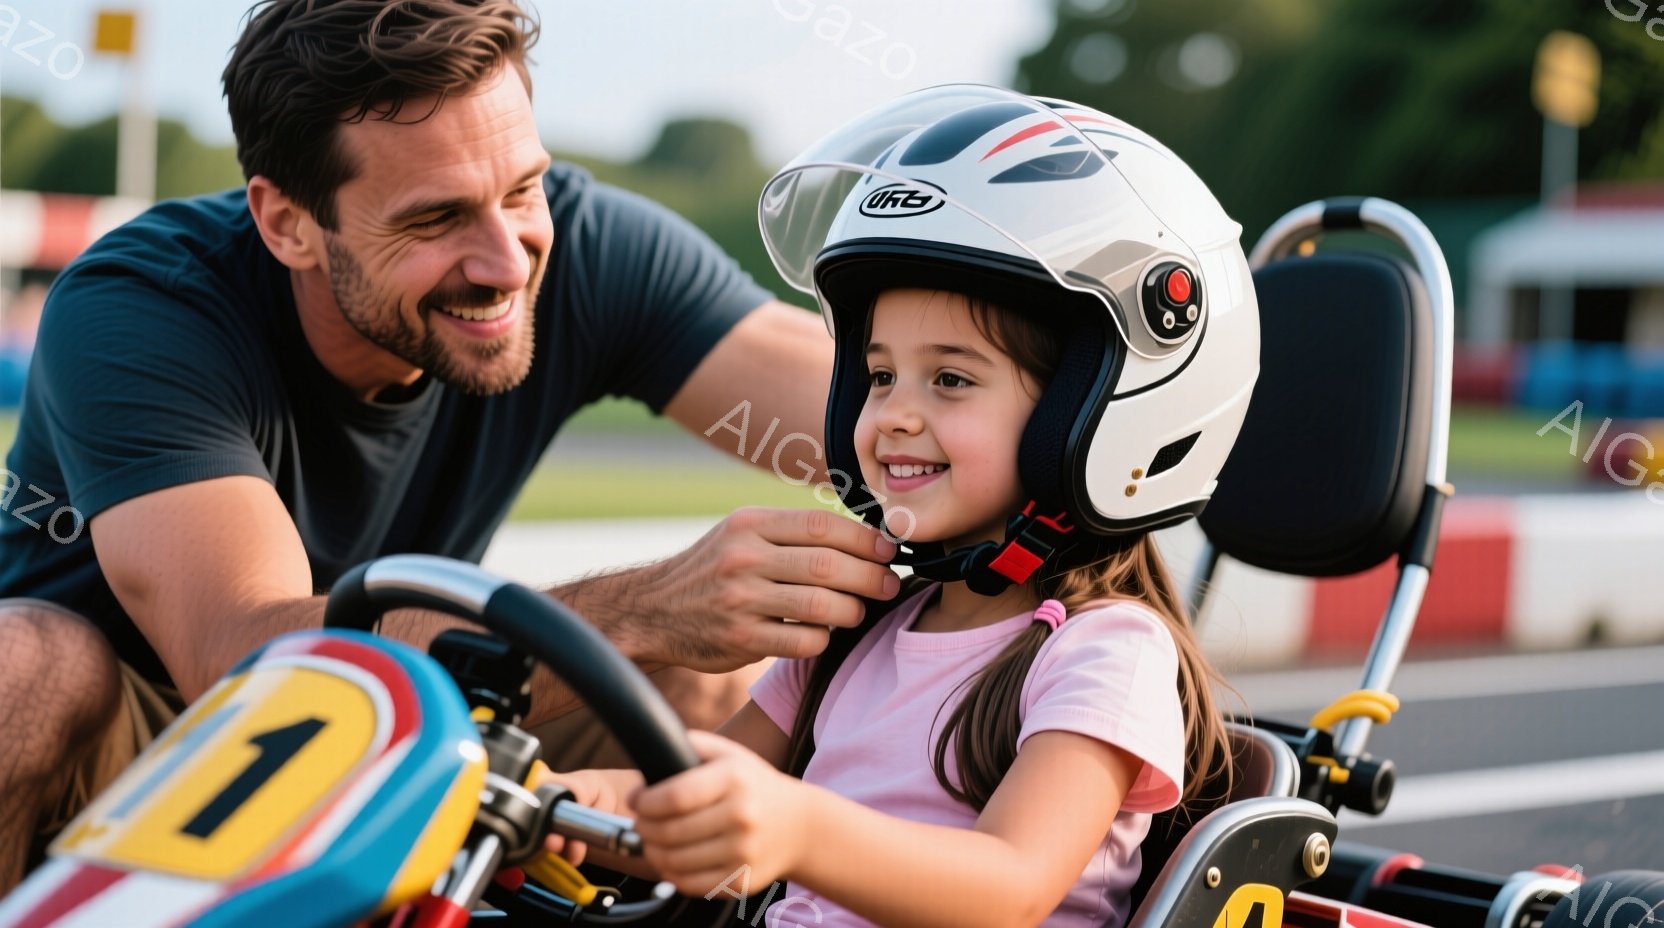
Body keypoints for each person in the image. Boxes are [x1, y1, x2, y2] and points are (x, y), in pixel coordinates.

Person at [0, 0, 903, 892]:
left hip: (410, 724)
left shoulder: (587, 248)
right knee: (25, 663)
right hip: (150, 749)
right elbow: (250, 666)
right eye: (435, 220)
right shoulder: (143, 307)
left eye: (522, 188)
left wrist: (1033, 429)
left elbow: (874, 411)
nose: (507, 262)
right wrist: (643, 607)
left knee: (715, 689)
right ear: (287, 223)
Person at [539, 86, 1262, 927]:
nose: (894, 415)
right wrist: (561, 801)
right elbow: (697, 802)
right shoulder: (850, 632)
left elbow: (1008, 885)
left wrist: (799, 827)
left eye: (950, 379)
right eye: (880, 375)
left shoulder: (1105, 654)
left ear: (1094, 411)